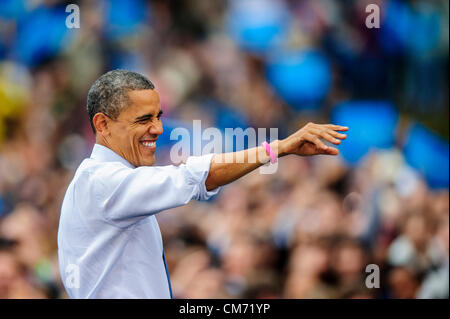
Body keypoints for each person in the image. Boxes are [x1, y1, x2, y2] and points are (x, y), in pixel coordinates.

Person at [57, 69, 348, 298]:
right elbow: (193, 177)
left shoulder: (106, 180)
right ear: (102, 124)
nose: (157, 129)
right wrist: (278, 149)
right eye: (143, 119)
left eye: (158, 117)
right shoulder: (100, 182)